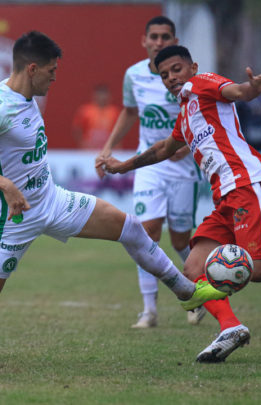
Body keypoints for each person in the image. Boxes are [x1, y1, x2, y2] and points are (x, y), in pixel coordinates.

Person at [0, 31, 229, 367]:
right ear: (32, 68)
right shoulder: (1, 105)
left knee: (131, 228)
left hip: (52, 201)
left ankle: (187, 292)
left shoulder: (16, 95)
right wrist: (2, 183)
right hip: (12, 220)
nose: (54, 77)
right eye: (51, 70)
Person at [99, 45, 261, 362]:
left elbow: (234, 90)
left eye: (176, 69)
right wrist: (123, 166)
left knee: (259, 270)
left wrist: (251, 90)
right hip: (224, 198)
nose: (171, 78)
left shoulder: (202, 82)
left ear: (192, 68)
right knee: (193, 269)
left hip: (248, 184)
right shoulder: (185, 115)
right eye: (164, 75)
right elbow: (166, 148)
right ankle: (231, 327)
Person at [95, 16, 205, 329]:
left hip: (183, 167)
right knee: (147, 234)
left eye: (165, 37)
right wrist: (109, 147)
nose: (159, 42)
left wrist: (189, 143)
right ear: (144, 40)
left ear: (174, 40)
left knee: (182, 240)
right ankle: (149, 310)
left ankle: (201, 294)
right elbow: (130, 112)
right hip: (149, 166)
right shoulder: (133, 75)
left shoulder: (188, 78)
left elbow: (201, 115)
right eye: (153, 37)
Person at [72, 84, 120, 150]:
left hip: (109, 148)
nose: (102, 97)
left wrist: (117, 146)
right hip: (89, 148)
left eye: (104, 94)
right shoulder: (85, 111)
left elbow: (119, 131)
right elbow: (78, 129)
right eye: (100, 95)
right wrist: (83, 144)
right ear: (94, 96)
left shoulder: (114, 112)